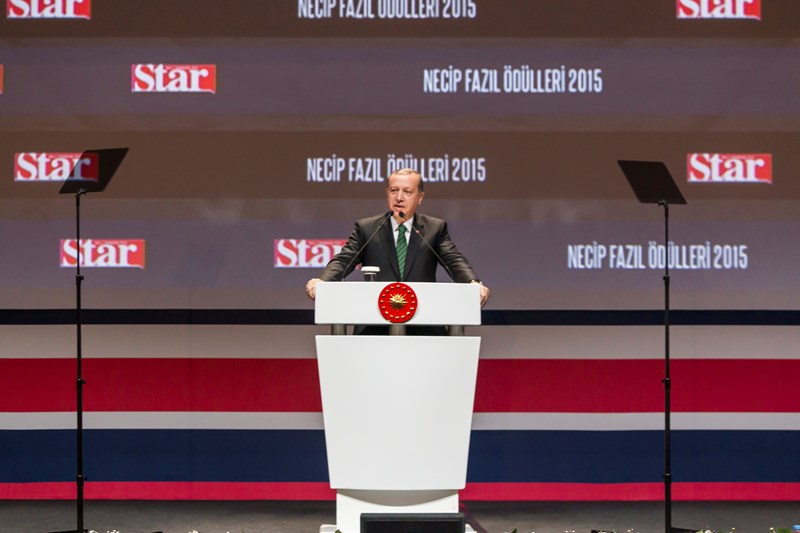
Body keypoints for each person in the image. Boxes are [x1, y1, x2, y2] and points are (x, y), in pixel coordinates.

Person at [305, 168, 489, 310]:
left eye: (407, 192)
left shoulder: (434, 228)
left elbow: (453, 260)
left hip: (423, 319)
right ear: (387, 192)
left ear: (420, 198)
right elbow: (344, 260)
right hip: (375, 319)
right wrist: (323, 281)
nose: (399, 197)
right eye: (394, 190)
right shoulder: (367, 228)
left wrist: (472, 282)